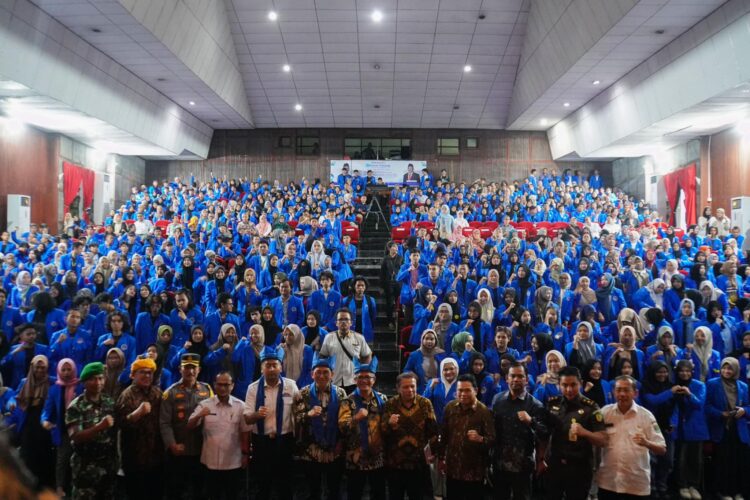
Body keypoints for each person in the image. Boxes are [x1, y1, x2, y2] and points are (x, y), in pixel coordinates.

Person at [595, 375, 666, 499]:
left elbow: (662, 449)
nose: (622, 394)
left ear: (635, 393)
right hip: (608, 482)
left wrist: (647, 443)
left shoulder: (646, 416)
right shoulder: (604, 413)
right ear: (613, 392)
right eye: (618, 390)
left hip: (636, 484)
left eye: (626, 390)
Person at [544, 365, 608, 500]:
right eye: (564, 385)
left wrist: (585, 432)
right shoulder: (552, 404)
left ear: (581, 383)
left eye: (573, 385)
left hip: (580, 468)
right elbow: (544, 433)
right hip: (555, 466)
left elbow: (603, 440)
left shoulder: (591, 407)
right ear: (559, 385)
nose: (569, 389)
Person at [244, 346, 299, 500]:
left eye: (275, 365)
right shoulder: (253, 388)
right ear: (262, 368)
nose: (272, 368)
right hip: (261, 442)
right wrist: (256, 414)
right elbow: (247, 418)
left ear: (281, 367)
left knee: (285, 485)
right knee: (263, 485)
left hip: (285, 441)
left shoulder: (291, 386)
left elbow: (299, 411)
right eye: (268, 365)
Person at [188, 371, 251, 500]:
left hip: (233, 462)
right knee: (212, 495)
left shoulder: (240, 406)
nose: (223, 388)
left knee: (232, 495)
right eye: (220, 384)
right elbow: (189, 425)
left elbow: (245, 432)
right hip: (210, 462)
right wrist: (199, 415)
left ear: (232, 386)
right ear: (214, 385)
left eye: (226, 385)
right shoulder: (205, 405)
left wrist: (246, 455)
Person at [159, 353, 214, 500]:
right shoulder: (170, 393)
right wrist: (172, 445)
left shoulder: (207, 390)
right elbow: (165, 423)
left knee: (200, 491)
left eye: (193, 368)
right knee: (175, 490)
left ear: (199, 369)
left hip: (200, 451)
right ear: (180, 369)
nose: (190, 371)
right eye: (186, 367)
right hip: (178, 452)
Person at [293, 353, 347, 500]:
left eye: (326, 372)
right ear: (312, 374)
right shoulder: (302, 393)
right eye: (318, 372)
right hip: (310, 449)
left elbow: (344, 420)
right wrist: (307, 415)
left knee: (334, 490)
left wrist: (341, 442)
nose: (322, 376)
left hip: (334, 449)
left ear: (332, 374)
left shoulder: (341, 393)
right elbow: (296, 419)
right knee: (313, 490)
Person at [492, 362, 549, 500]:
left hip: (522, 465)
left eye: (520, 376)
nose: (516, 379)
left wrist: (531, 421)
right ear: (507, 378)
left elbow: (545, 433)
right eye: (513, 376)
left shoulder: (535, 405)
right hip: (499, 463)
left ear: (526, 379)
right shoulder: (498, 399)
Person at [436, 373, 495, 500]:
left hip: (475, 472)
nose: (463, 394)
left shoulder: (484, 412)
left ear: (476, 390)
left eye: (467, 390)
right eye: (460, 390)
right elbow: (444, 435)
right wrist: (441, 458)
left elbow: (492, 440)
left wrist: (480, 439)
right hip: (452, 469)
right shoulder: (450, 408)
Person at [382, 371, 439, 500]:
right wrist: (389, 424)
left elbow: (433, 432)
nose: (410, 390)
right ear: (398, 388)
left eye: (412, 386)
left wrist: (433, 453)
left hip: (418, 464)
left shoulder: (425, 404)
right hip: (395, 464)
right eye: (405, 387)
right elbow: (383, 432)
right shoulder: (390, 404)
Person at [65, 361, 117, 500]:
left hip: (107, 464)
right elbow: (75, 436)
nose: (98, 382)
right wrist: (100, 427)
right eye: (93, 379)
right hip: (85, 467)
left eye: (100, 378)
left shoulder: (109, 401)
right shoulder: (76, 406)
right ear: (85, 382)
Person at [338, 357, 388, 500]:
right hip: (355, 457)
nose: (364, 380)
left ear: (374, 379)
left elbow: (385, 428)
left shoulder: (383, 399)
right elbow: (342, 428)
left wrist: (391, 423)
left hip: (377, 457)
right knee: (354, 493)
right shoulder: (347, 401)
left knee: (379, 493)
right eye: (360, 377)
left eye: (368, 377)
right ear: (355, 379)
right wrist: (355, 419)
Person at [115, 357, 164, 500]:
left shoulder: (157, 393)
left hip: (156, 456)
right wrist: (138, 413)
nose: (147, 376)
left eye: (150, 373)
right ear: (133, 375)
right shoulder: (126, 395)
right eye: (142, 372)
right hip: (134, 457)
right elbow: (120, 423)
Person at [705, 357, 750, 500]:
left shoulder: (743, 386)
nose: (726, 371)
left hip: (738, 429)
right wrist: (720, 414)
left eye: (730, 368)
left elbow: (748, 406)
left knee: (738, 462)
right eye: (724, 368)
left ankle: (737, 491)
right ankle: (723, 491)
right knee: (722, 461)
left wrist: (744, 410)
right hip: (721, 428)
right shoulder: (712, 384)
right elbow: (706, 406)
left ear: (736, 369)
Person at [320, 308, 373, 393]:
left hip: (353, 382)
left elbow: (367, 355)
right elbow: (323, 356)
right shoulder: (329, 337)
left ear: (351, 322)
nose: (343, 322)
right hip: (334, 381)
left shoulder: (359, 338)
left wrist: (362, 371)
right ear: (336, 323)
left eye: (346, 319)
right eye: (340, 319)